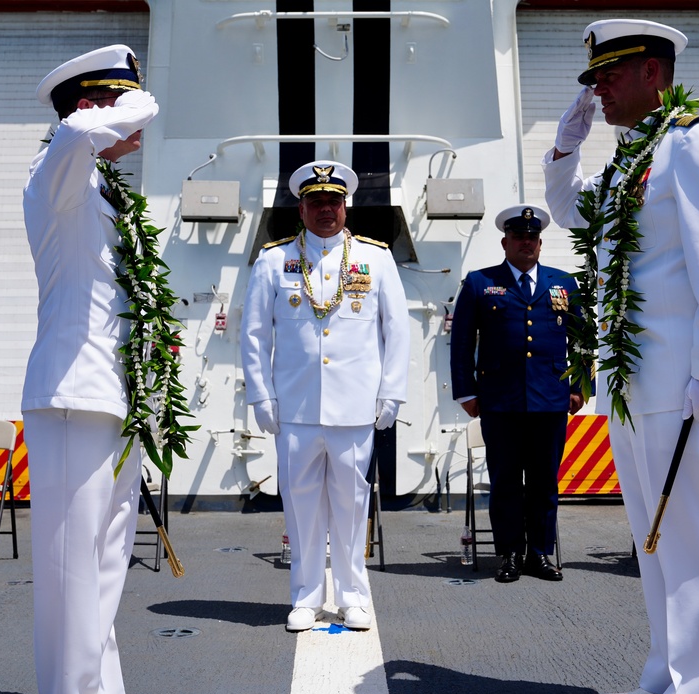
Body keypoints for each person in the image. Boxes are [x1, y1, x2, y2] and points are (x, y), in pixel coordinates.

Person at [543, 20, 699, 694]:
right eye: (593, 80)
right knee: (654, 539)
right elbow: (570, 212)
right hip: (634, 387)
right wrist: (566, 145)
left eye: (609, 76)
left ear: (654, 76)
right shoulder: (632, 159)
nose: (597, 90)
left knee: (693, 539)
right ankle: (665, 674)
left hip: (685, 386)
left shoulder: (696, 143)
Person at [23, 45, 163, 694]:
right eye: (123, 109)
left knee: (106, 557)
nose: (135, 130)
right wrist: (129, 104)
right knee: (74, 561)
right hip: (73, 393)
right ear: (90, 106)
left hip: (111, 395)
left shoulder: (102, 191)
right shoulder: (59, 174)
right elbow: (82, 133)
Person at [241, 160, 410, 632]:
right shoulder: (273, 260)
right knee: (300, 508)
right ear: (301, 208)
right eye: (316, 202)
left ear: (345, 205)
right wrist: (261, 395)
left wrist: (391, 392)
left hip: (355, 407)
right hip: (295, 409)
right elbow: (254, 334)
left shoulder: (376, 258)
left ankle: (353, 595)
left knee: (353, 508)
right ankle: (305, 597)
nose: (325, 210)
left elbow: (397, 331)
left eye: (333, 201)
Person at [449, 205, 584, 583]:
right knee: (506, 481)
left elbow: (583, 343)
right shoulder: (480, 282)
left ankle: (539, 554)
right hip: (500, 401)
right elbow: (461, 345)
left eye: (532, 237)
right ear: (505, 242)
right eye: (519, 237)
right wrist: (466, 394)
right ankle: (508, 554)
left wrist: (579, 389)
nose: (526, 243)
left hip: (550, 400)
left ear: (540, 243)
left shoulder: (563, 284)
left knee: (544, 482)